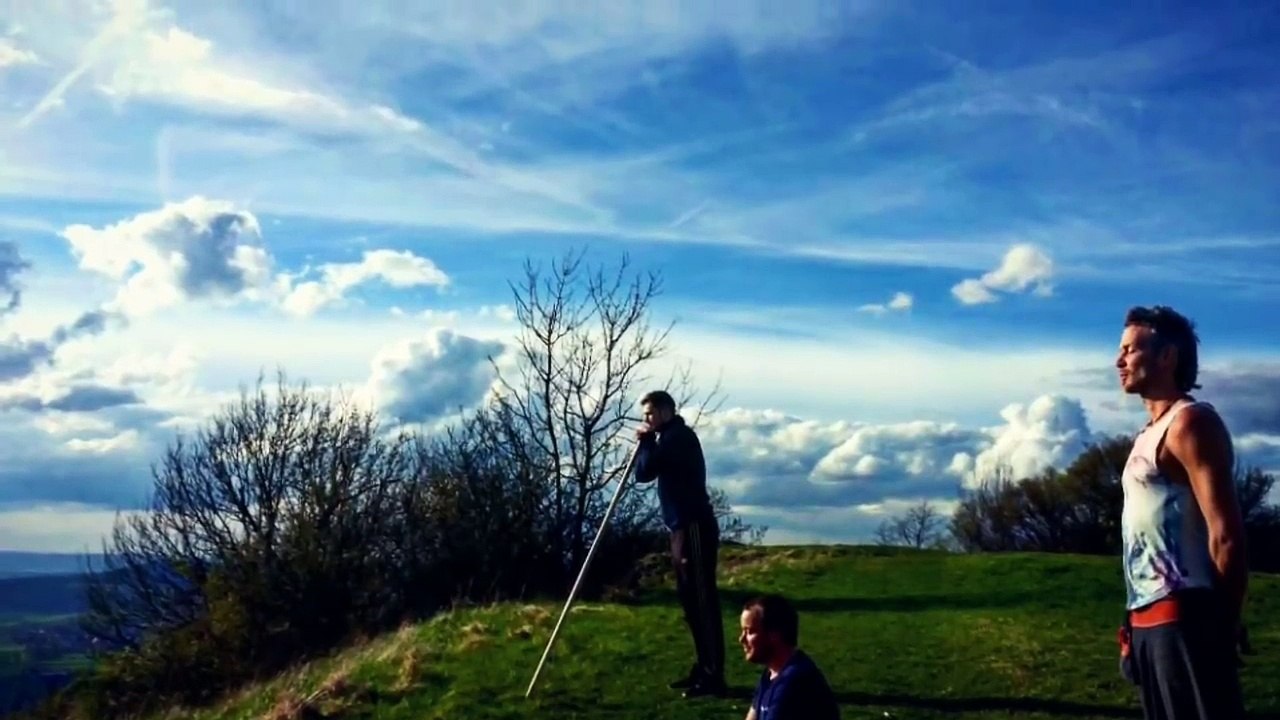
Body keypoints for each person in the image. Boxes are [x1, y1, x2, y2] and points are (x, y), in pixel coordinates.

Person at [1114, 305, 1249, 719]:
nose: (1119, 361)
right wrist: (1131, 624)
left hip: (1186, 618)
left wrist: (1223, 623)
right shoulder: (1146, 436)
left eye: (1130, 350)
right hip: (1146, 621)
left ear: (1167, 357)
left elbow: (1225, 535)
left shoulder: (1190, 423)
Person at [633, 389, 726, 698]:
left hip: (694, 526)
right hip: (679, 528)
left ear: (665, 411)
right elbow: (642, 473)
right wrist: (648, 443)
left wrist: (647, 442)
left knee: (701, 600)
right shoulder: (666, 439)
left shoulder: (679, 438)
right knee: (690, 601)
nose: (646, 419)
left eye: (650, 413)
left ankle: (713, 674)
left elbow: (647, 470)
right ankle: (703, 666)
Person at [739, 594, 840, 720]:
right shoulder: (771, 674)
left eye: (750, 632)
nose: (741, 639)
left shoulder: (794, 682)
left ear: (774, 635)